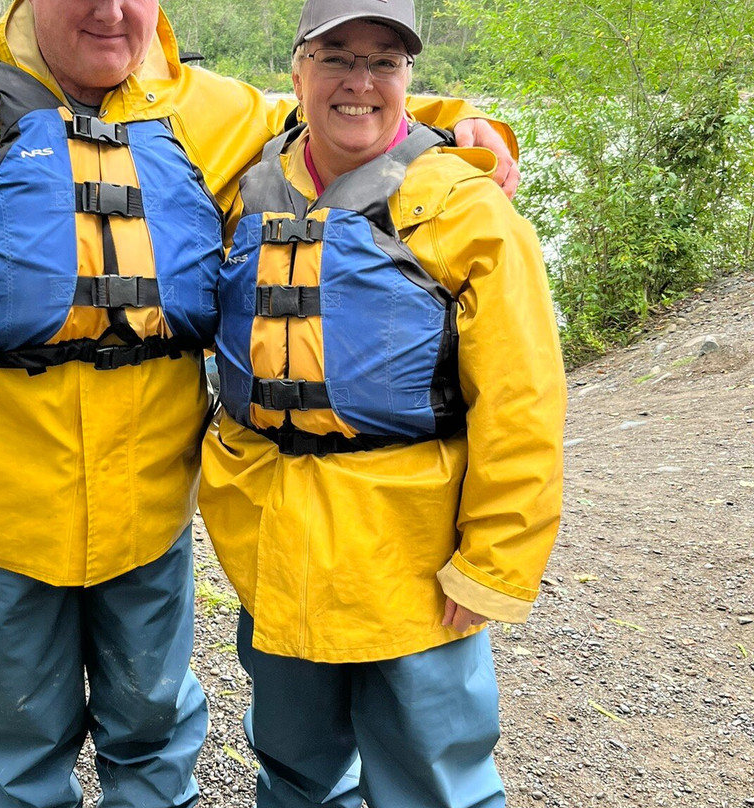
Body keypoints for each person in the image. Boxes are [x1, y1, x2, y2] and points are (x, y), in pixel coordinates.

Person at [0, 0, 522, 806]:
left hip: (148, 504)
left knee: (151, 720)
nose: (112, 12)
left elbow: (343, 107)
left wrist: (464, 121)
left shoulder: (210, 111)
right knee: (13, 734)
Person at [199, 1, 567, 807]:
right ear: (297, 71)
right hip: (275, 542)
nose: (359, 81)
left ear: (408, 77)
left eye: (384, 62)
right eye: (336, 57)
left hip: (409, 560)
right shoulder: (245, 186)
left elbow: (522, 400)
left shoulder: (466, 207)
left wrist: (492, 565)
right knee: (295, 771)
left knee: (433, 781)